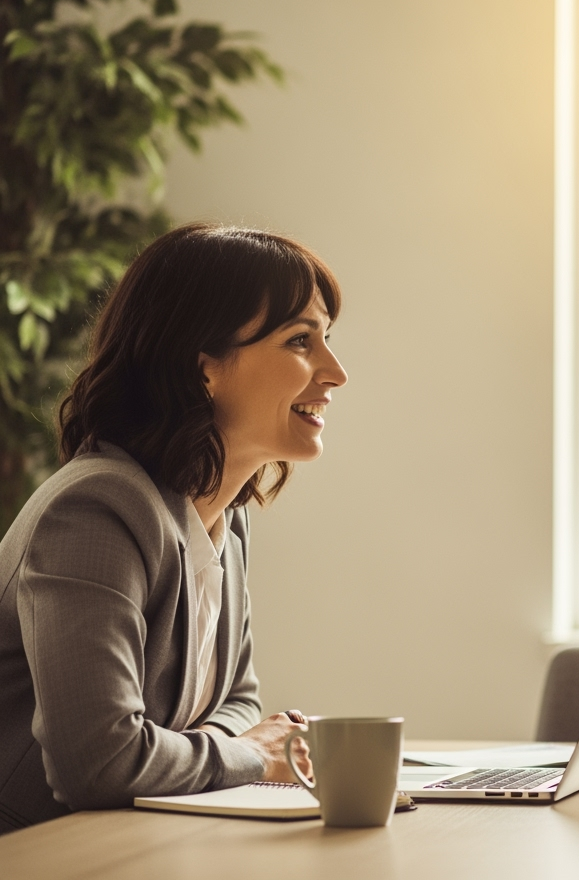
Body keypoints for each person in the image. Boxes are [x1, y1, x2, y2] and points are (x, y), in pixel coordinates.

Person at [0, 223, 348, 833]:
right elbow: (99, 763)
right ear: (205, 366)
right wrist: (251, 755)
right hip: (37, 851)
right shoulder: (94, 509)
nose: (335, 372)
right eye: (300, 341)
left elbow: (239, 700)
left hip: (137, 841)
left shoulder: (224, 516)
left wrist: (207, 749)